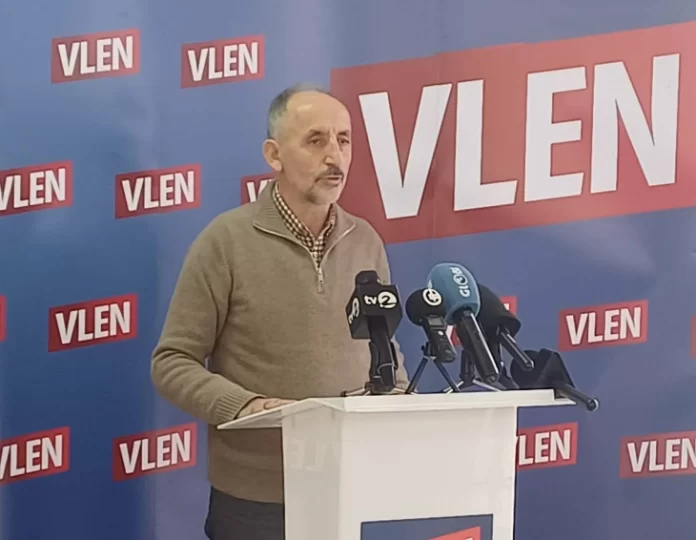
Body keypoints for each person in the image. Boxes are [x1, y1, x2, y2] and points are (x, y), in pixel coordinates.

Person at [150, 82, 409, 540]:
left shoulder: (366, 240)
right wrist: (247, 406)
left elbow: (382, 347)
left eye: (344, 140)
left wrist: (401, 401)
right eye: (316, 141)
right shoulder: (225, 242)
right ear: (274, 155)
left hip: (351, 486)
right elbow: (171, 363)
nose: (335, 156)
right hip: (257, 503)